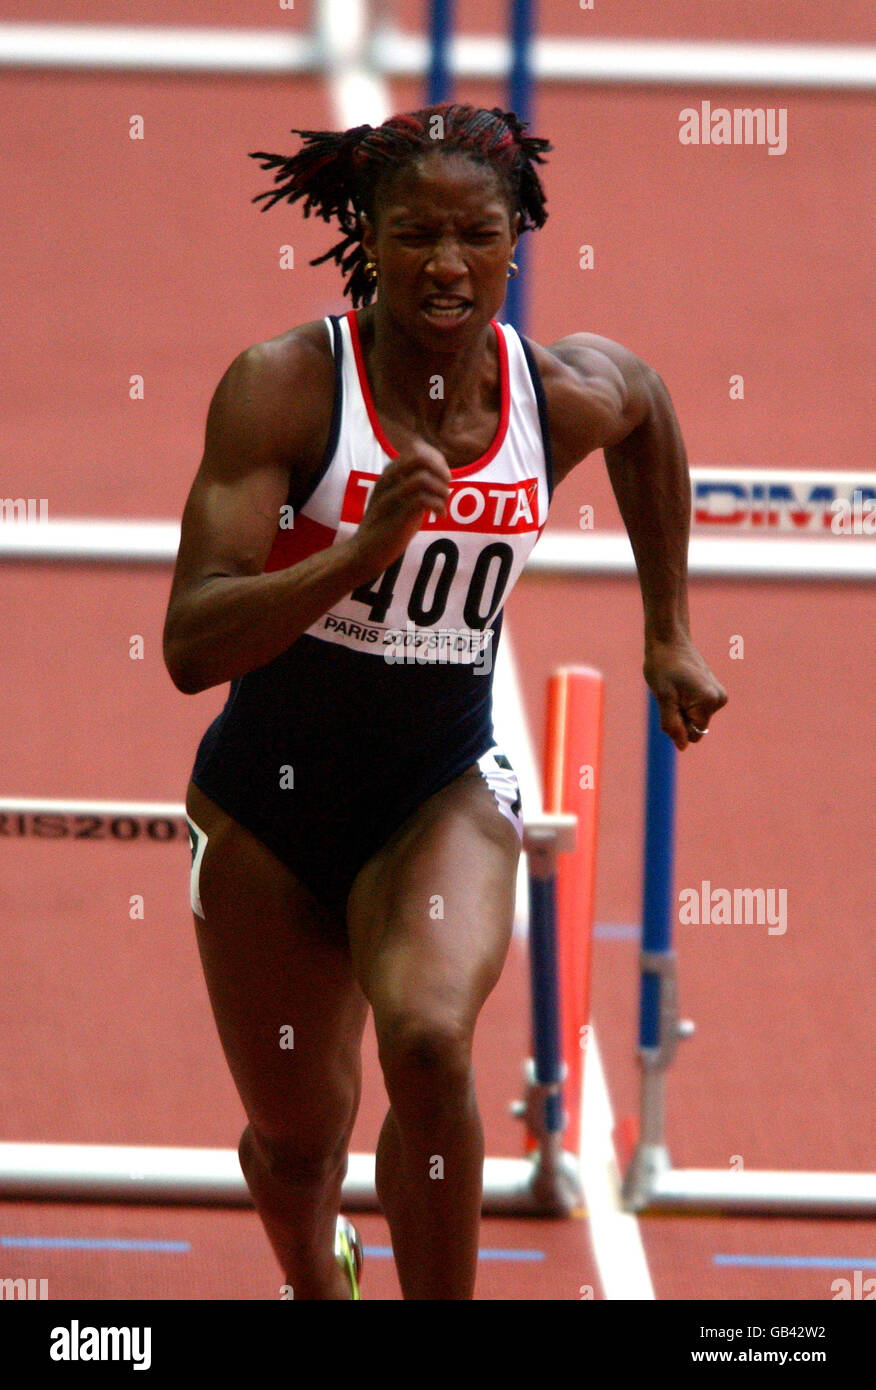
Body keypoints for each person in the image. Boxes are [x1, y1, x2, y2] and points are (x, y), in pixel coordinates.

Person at [162, 103, 727, 1301]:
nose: (448, 264)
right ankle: (323, 1280)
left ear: (519, 238)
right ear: (365, 233)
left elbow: (650, 406)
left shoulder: (551, 394)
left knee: (426, 1042)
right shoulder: (286, 389)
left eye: (478, 233)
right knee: (299, 1138)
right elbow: (192, 645)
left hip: (441, 789)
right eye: (415, 233)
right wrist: (350, 557)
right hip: (266, 805)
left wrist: (668, 629)